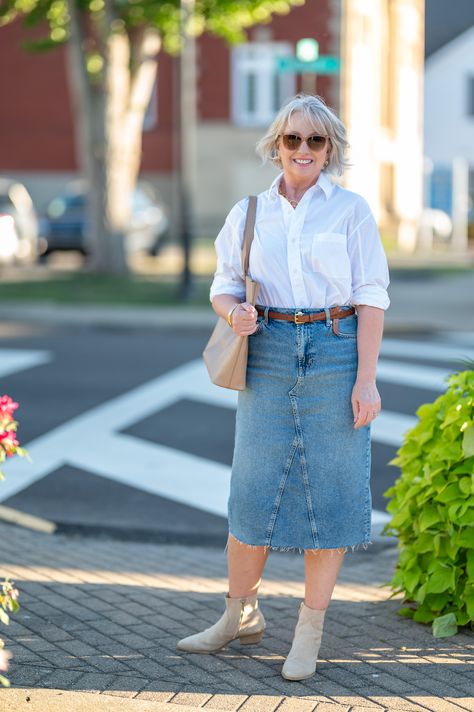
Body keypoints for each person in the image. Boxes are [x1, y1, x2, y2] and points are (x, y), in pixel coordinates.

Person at [177, 93, 390, 681]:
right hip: (267, 351)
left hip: (334, 349)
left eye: (315, 141)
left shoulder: (351, 211)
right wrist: (232, 315)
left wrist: (365, 380)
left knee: (332, 489)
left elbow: (371, 297)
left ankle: (310, 627)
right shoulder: (249, 214)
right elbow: (223, 284)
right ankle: (239, 615)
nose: (302, 149)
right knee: (252, 488)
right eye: (292, 139)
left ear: (330, 150)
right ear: (276, 145)